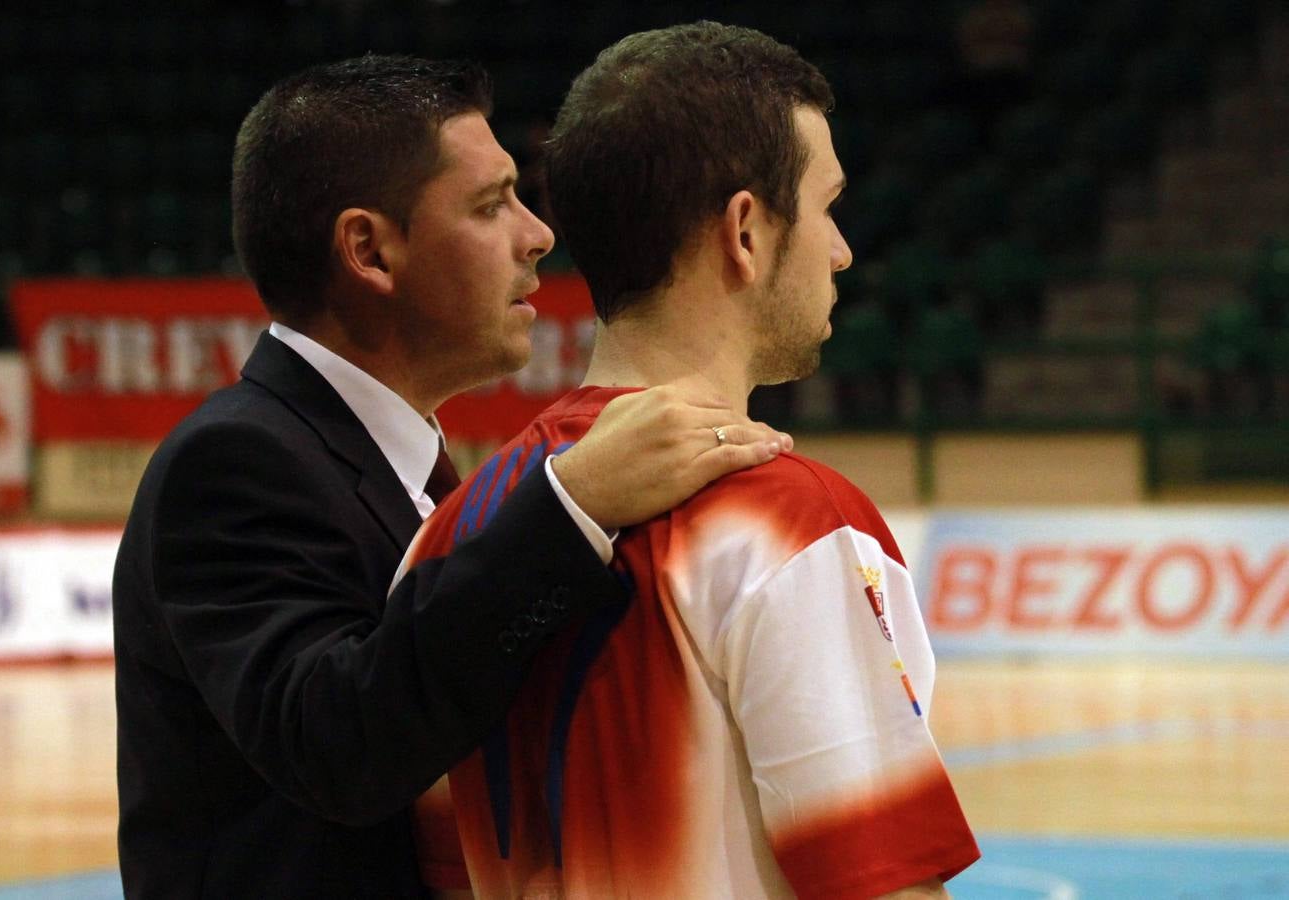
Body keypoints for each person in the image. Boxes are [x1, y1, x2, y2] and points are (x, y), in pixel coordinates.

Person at [111, 55, 790, 899]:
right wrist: (569, 506)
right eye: (489, 203)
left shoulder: (387, 458)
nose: (537, 234)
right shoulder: (233, 462)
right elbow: (338, 747)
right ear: (369, 249)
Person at [403, 24, 981, 899]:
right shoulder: (788, 522)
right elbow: (883, 885)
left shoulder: (449, 534)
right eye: (826, 208)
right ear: (744, 232)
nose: (841, 251)